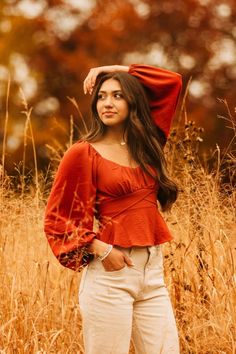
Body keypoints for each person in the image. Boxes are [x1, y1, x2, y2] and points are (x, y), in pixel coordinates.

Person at [44, 63, 182, 354]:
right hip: (111, 277)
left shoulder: (148, 143)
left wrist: (110, 68)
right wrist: (102, 250)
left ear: (133, 101)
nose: (107, 102)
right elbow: (57, 219)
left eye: (118, 95)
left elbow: (172, 82)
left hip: (153, 274)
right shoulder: (83, 152)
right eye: (102, 96)